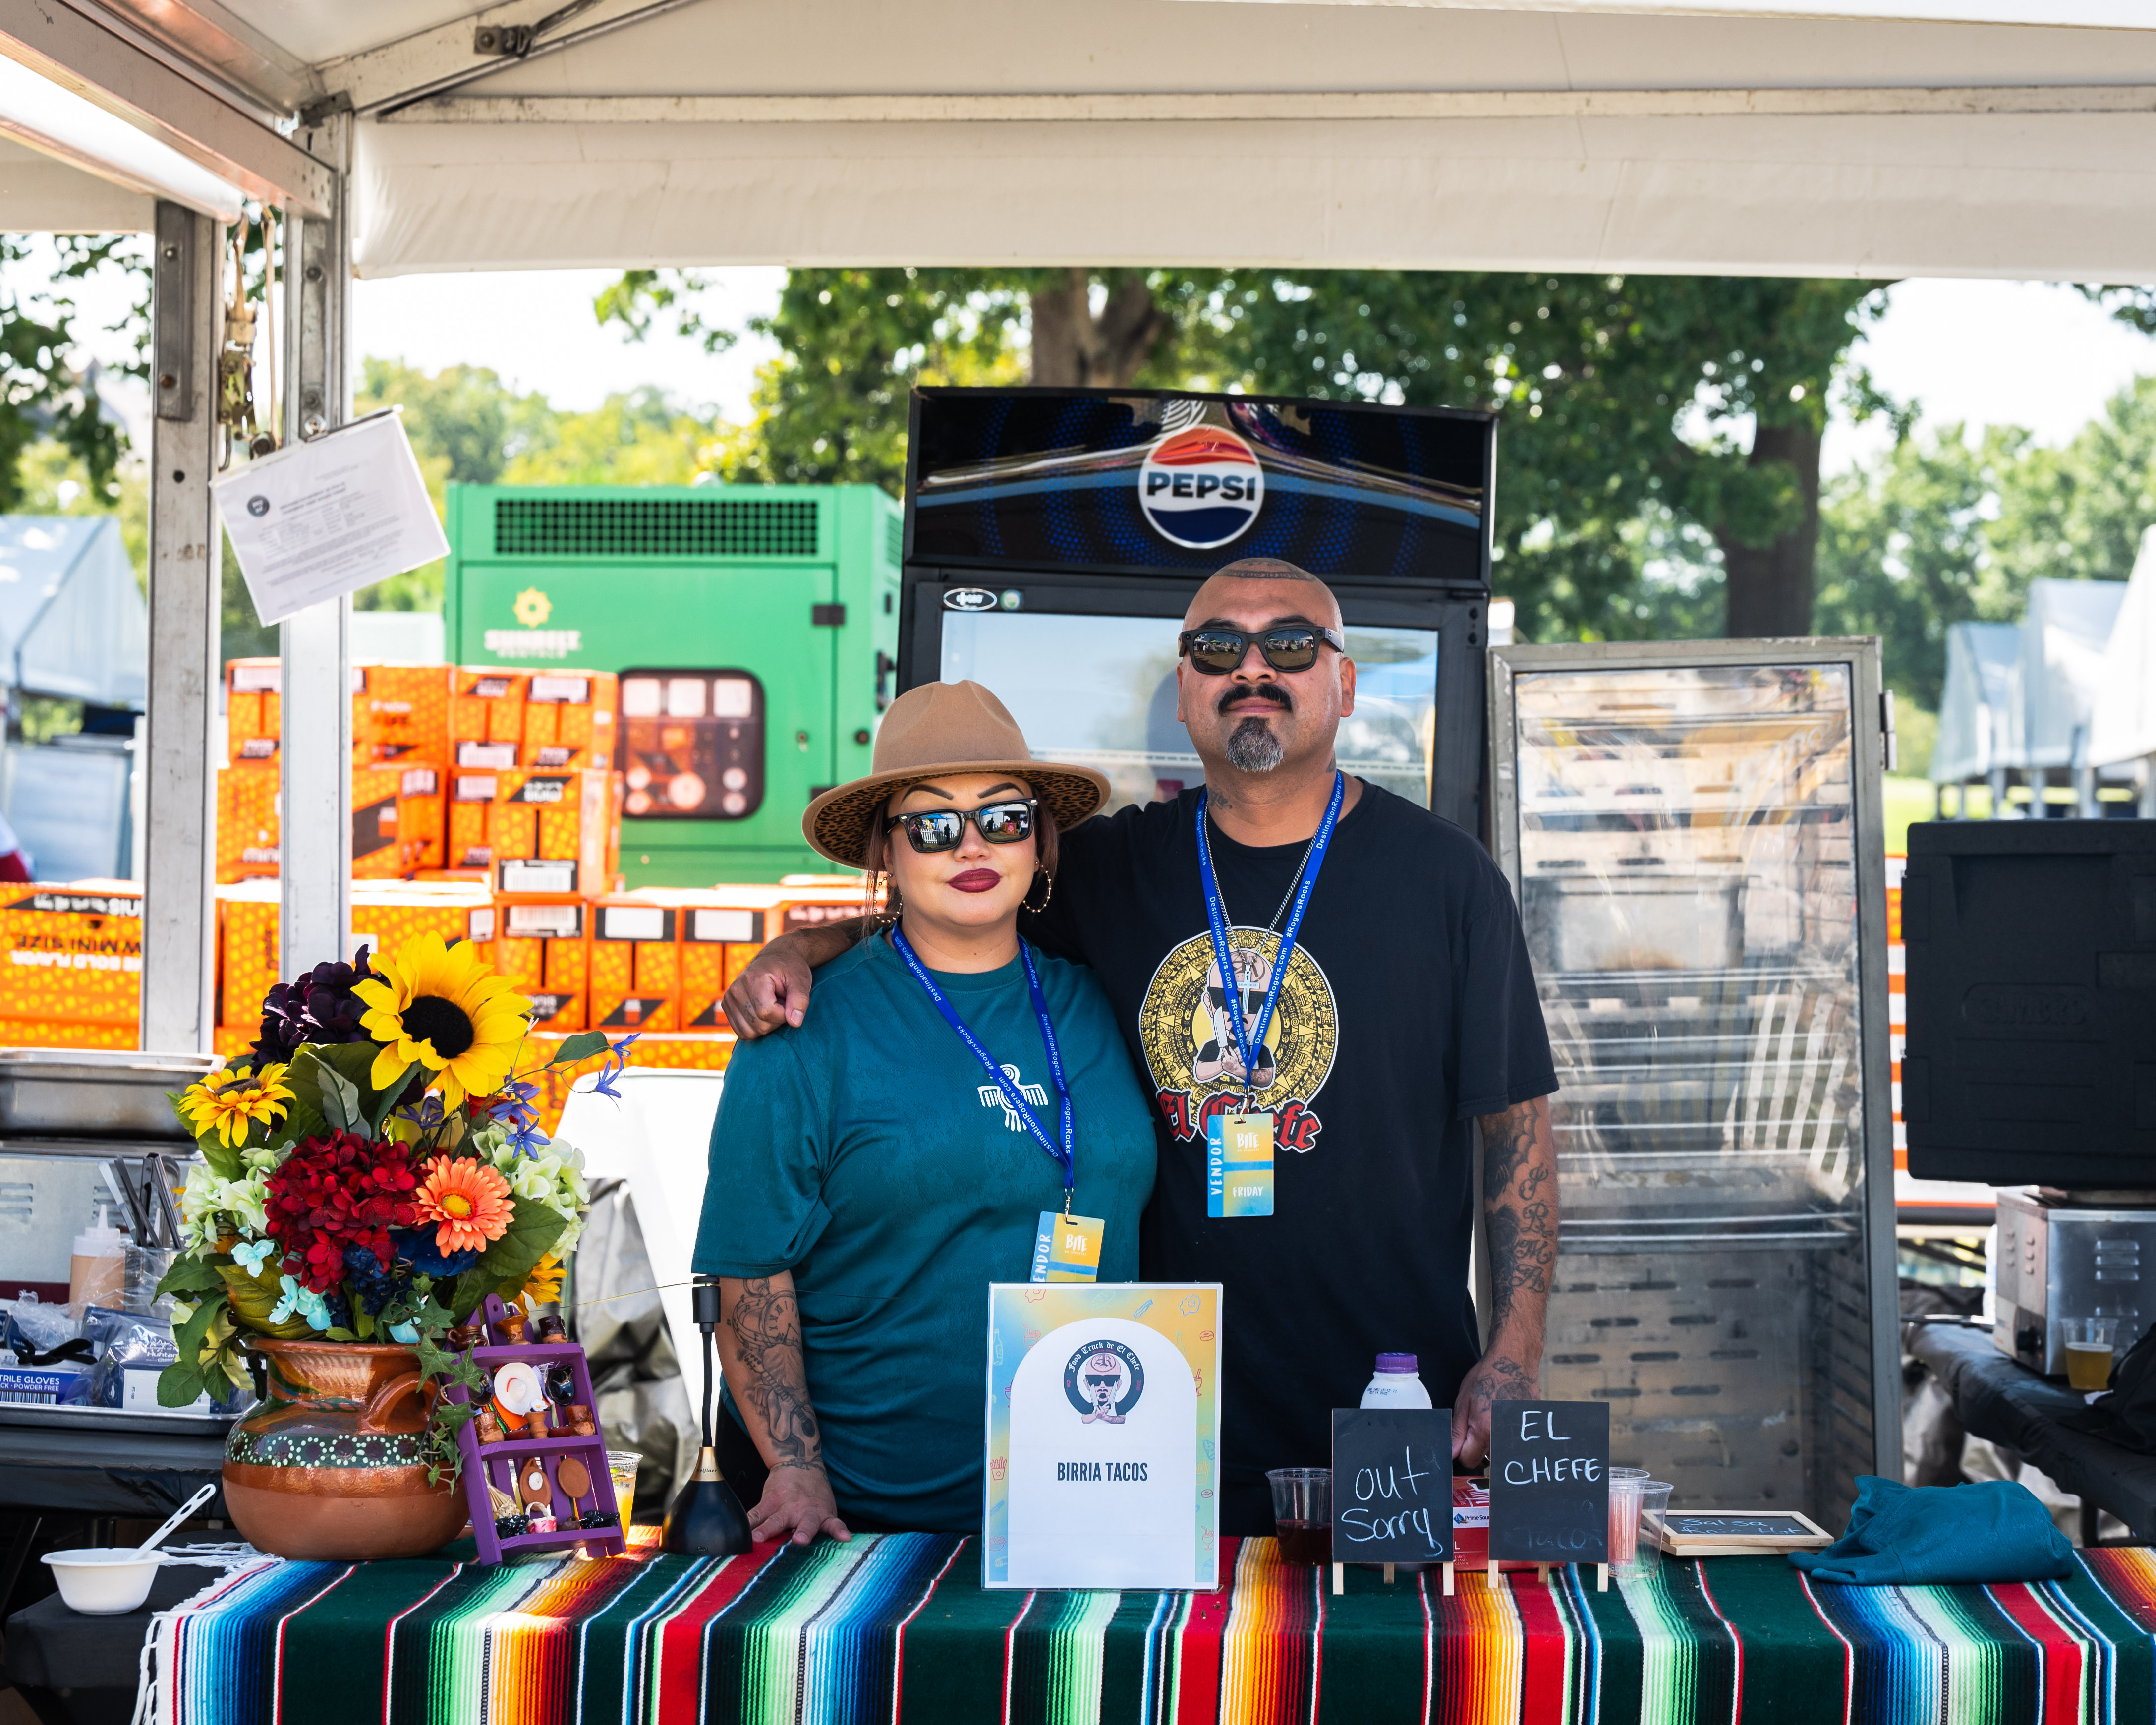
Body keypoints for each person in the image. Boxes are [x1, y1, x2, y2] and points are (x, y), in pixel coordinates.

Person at [725, 558, 1559, 1535]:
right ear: (1185, 687)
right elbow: (949, 908)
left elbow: (1517, 1129)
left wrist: (1514, 1350)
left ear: (1343, 683)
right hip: (1149, 1426)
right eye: (1218, 647)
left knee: (1381, 1639)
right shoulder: (1113, 869)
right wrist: (803, 947)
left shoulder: (1448, 880)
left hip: (1389, 1412)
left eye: (1290, 644)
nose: (1252, 668)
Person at [691, 680, 1159, 1544]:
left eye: (1004, 818)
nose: (972, 844)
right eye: (933, 825)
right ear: (885, 849)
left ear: (1040, 840)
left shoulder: (1101, 997)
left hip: (1086, 1498)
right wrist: (796, 1469)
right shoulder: (802, 1027)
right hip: (871, 1518)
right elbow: (749, 1268)